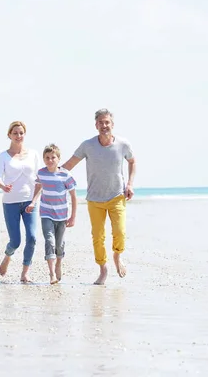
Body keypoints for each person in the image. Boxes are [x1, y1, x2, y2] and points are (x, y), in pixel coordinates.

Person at [61, 109, 136, 285]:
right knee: (98, 236)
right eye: (101, 123)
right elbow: (69, 164)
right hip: (94, 199)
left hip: (117, 196)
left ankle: (117, 256)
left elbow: (132, 161)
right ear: (96, 125)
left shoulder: (123, 144)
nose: (104, 126)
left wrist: (130, 184)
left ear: (112, 124)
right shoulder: (88, 145)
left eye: (107, 122)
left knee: (120, 232)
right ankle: (103, 269)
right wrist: (49, 175)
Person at [0, 121, 41, 283]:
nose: (18, 136)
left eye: (21, 133)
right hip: (10, 202)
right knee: (15, 241)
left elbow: (39, 179)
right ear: (9, 135)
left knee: (33, 237)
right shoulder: (3, 156)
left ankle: (24, 273)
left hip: (29, 202)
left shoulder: (34, 154)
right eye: (15, 133)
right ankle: (7, 256)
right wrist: (2, 186)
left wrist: (34, 201)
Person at [26, 144, 77, 284]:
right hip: (46, 213)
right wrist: (33, 202)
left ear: (58, 159)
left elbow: (73, 196)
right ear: (43, 159)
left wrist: (73, 217)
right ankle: (52, 273)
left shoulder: (66, 175)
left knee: (59, 244)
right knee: (50, 241)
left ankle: (59, 264)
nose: (50, 160)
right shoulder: (41, 173)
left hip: (62, 215)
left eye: (53, 157)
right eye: (47, 158)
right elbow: (38, 188)